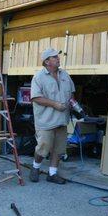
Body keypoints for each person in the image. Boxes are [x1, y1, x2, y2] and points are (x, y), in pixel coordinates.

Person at [29, 48, 75, 184]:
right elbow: (36, 98)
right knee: (43, 147)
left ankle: (52, 174)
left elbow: (71, 93)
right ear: (47, 61)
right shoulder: (38, 77)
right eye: (55, 57)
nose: (58, 59)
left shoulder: (65, 75)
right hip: (46, 120)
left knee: (59, 149)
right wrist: (55, 104)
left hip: (62, 119)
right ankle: (35, 167)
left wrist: (73, 103)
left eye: (57, 57)